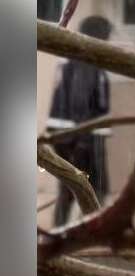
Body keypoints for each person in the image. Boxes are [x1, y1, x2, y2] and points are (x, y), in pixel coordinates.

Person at [47, 15, 113, 226]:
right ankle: (90, 234)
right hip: (83, 135)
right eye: (107, 37)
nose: (109, 43)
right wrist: (83, 140)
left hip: (67, 133)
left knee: (70, 188)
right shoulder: (87, 56)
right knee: (96, 188)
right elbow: (79, 98)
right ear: (98, 37)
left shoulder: (73, 54)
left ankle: (60, 237)